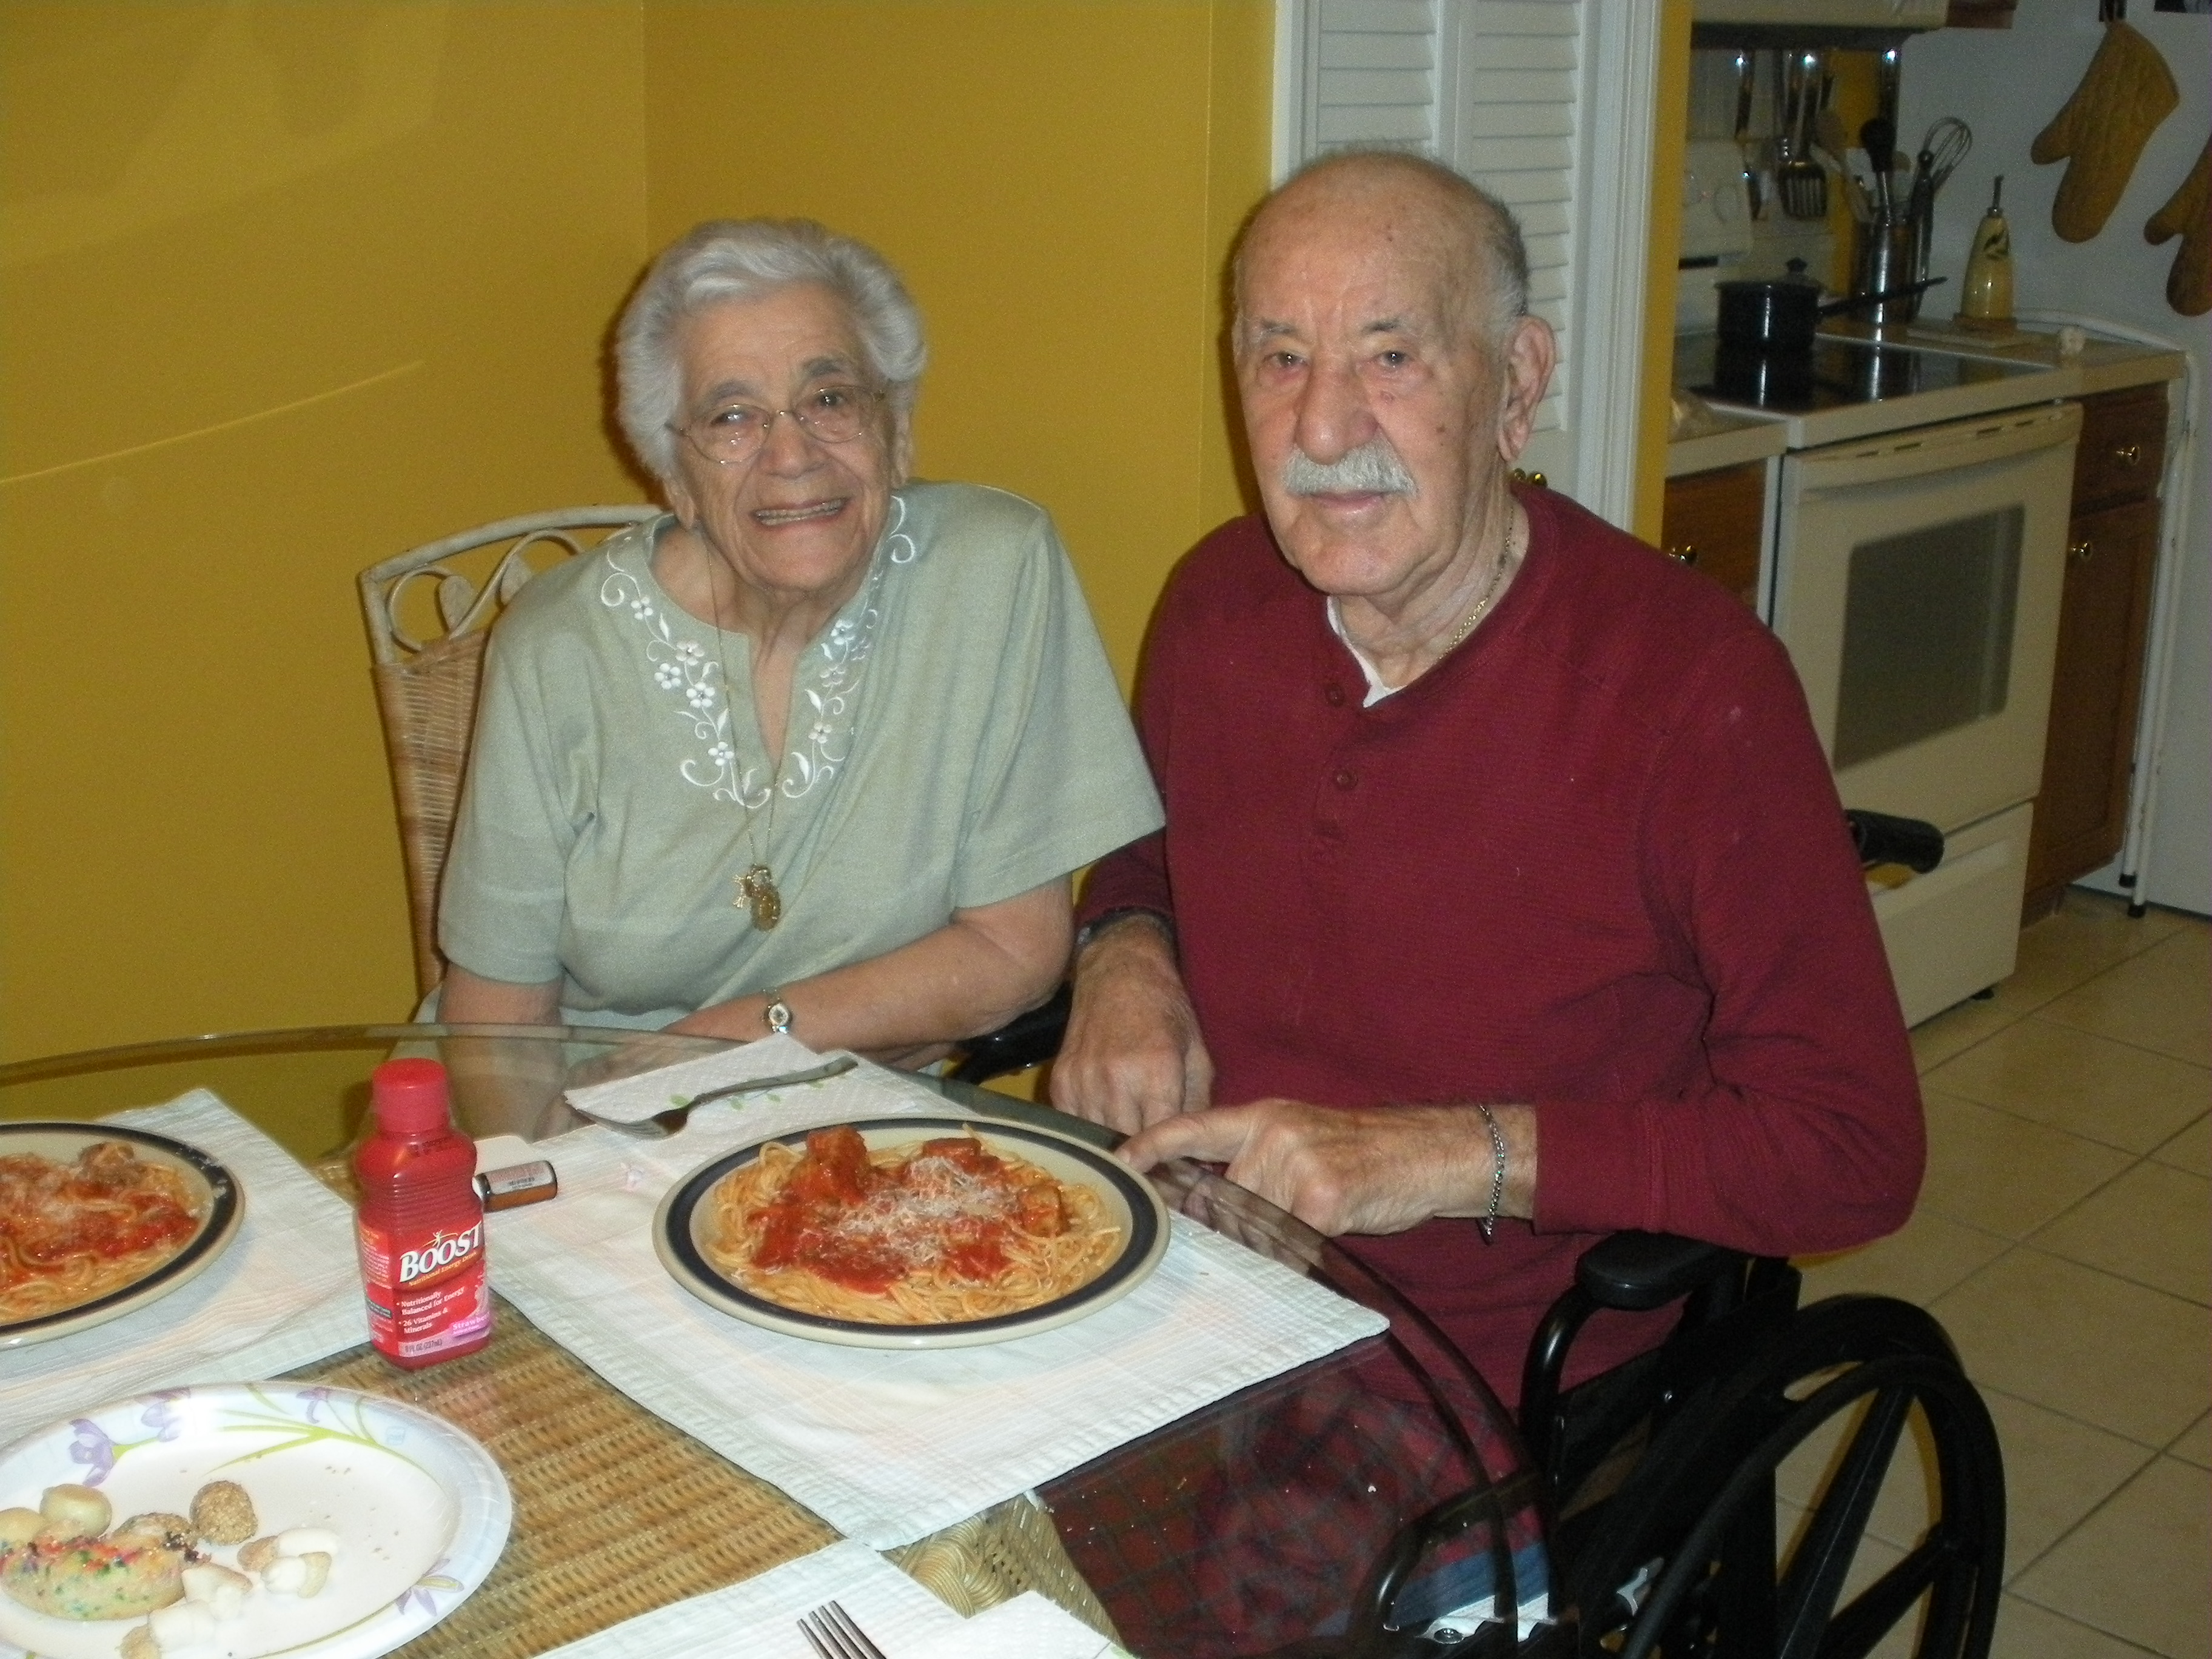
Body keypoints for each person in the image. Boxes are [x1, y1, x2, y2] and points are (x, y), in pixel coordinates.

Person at [1053, 152, 1924, 1402]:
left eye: (1392, 357)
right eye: (1281, 357)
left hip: (1482, 1369)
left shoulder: (1692, 691)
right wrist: (1123, 956)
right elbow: (1153, 855)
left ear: (1518, 384)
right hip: (1199, 1283)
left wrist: (1451, 1157)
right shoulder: (1216, 602)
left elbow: (1853, 1151)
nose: (1322, 429)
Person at [437, 218, 1161, 1065]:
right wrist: (577, 1141)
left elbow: (1013, 951)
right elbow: (496, 1022)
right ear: (674, 477)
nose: (791, 454)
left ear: (896, 431)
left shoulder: (991, 573)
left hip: (847, 1116)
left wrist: (723, 1045)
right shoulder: (557, 648)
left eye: (830, 399)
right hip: (589, 1108)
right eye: (732, 416)